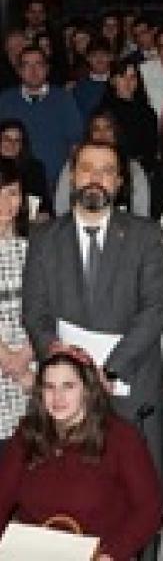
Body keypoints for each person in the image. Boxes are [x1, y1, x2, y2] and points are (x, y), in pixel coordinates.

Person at [22, 140, 163, 474]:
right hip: (67, 389)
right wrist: (57, 355)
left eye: (107, 171)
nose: (96, 178)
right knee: (76, 487)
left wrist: (108, 369)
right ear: (73, 177)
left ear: (119, 182)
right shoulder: (44, 238)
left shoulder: (145, 235)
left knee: (140, 486)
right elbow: (34, 310)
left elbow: (155, 309)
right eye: (87, 169)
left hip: (131, 383)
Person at [0, 346, 163, 561]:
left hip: (97, 553)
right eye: (49, 387)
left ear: (87, 389)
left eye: (68, 386)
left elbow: (149, 510)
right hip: (32, 551)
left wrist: (111, 554)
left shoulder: (121, 439)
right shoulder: (28, 434)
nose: (57, 397)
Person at [0, 45, 83, 186]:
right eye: (27, 65)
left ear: (47, 68)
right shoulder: (5, 100)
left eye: (38, 64)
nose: (33, 71)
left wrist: (70, 179)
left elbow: (75, 143)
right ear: (19, 71)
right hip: (13, 182)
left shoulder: (63, 99)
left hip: (57, 182)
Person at [54, 110, 150, 218]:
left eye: (108, 128)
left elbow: (141, 212)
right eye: (96, 129)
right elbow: (61, 206)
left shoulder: (133, 168)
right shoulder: (74, 163)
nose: (102, 134)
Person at [0, 160, 32, 452]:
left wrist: (24, 357)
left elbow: (46, 308)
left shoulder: (34, 248)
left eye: (12, 192)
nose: (5, 202)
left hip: (29, 368)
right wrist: (7, 359)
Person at [100, 58, 158, 173]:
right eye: (122, 76)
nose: (128, 82)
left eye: (132, 77)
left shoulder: (148, 112)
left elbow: (152, 149)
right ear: (112, 80)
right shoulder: (103, 113)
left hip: (143, 171)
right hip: (112, 168)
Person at [0, 119, 52, 218]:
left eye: (17, 140)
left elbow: (45, 205)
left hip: (29, 223)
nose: (12, 144)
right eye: (7, 139)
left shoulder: (34, 169)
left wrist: (41, 215)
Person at [72, 37, 114, 119]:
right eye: (94, 55)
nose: (99, 59)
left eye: (103, 54)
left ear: (110, 57)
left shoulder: (120, 84)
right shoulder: (80, 87)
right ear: (88, 58)